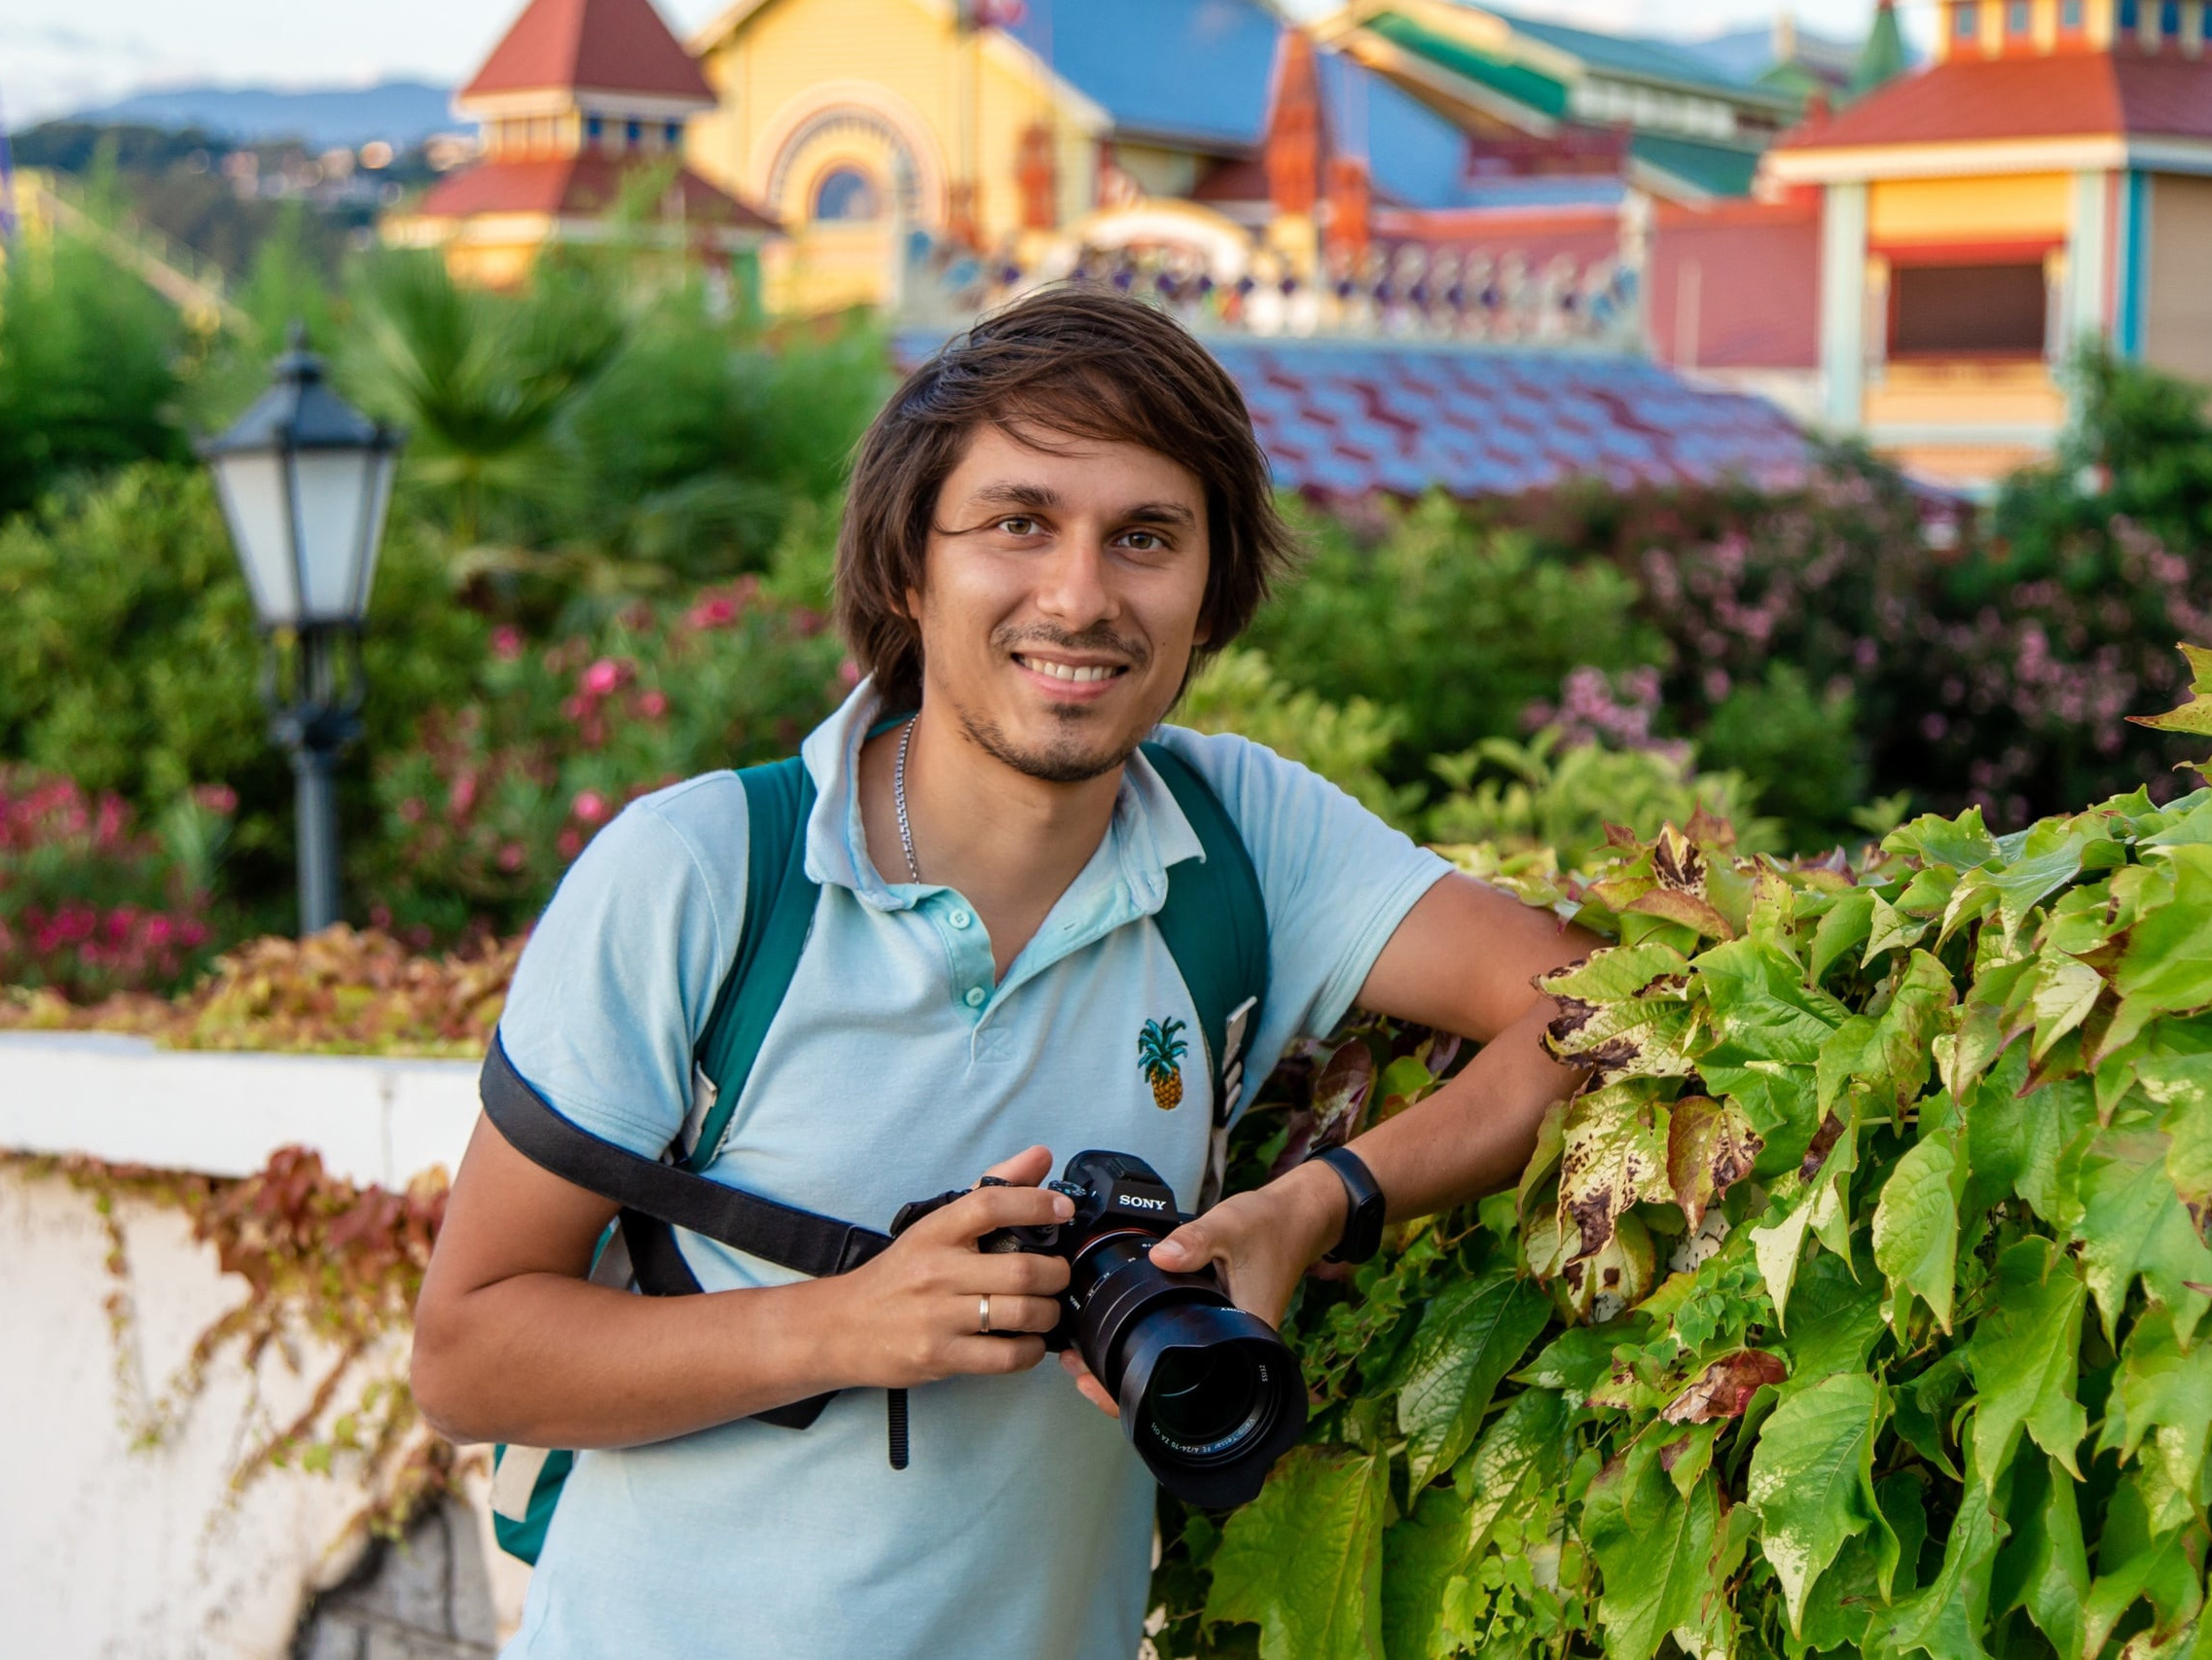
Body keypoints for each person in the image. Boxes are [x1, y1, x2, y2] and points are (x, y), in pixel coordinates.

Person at [410, 287, 1590, 1659]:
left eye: (1146, 537)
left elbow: (1587, 1005)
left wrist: (1312, 1208)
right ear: (911, 566)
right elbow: (468, 1350)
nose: (1079, 596)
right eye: (1017, 522)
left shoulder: (1241, 842)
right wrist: (846, 1325)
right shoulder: (704, 874)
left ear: (1210, 588)